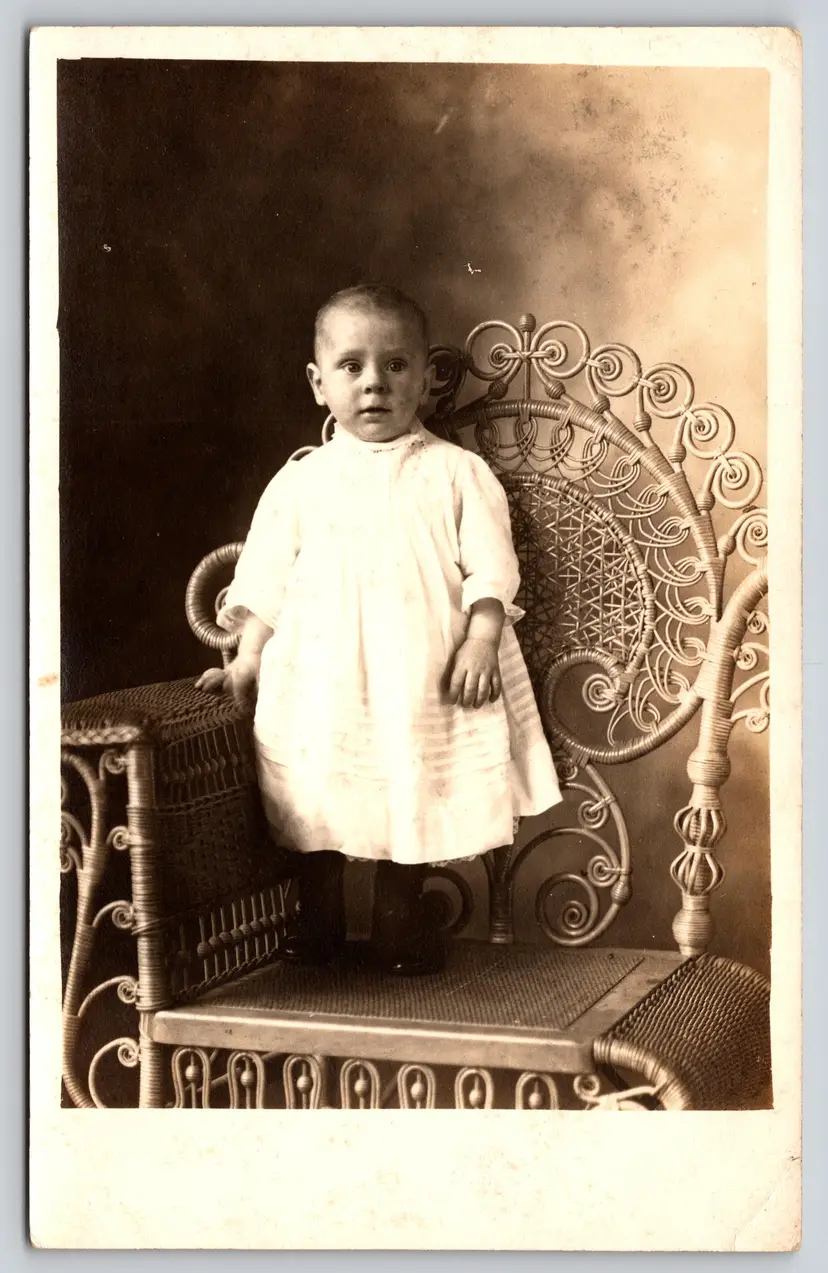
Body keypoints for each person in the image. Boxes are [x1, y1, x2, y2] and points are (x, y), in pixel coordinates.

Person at [196, 284, 562, 975]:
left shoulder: (458, 473)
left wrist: (482, 636)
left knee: (407, 784)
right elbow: (267, 579)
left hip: (422, 671)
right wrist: (246, 660)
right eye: (352, 366)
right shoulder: (302, 482)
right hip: (322, 678)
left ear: (425, 380)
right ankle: (320, 920)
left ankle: (401, 917)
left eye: (396, 366)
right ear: (317, 382)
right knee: (316, 786)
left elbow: (492, 565)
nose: (374, 384)